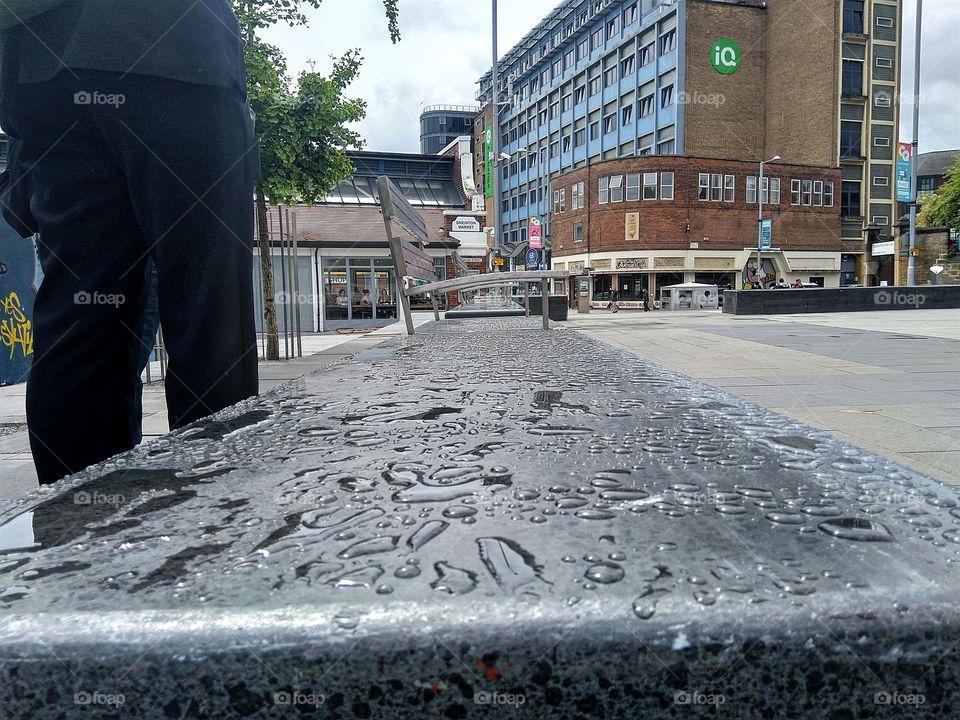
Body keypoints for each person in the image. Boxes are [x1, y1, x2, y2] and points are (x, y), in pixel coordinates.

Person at [0, 0, 259, 483]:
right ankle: (220, 513)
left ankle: (81, 532)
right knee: (208, 303)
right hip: (170, 41)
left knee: (82, 311)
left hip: (36, 57)